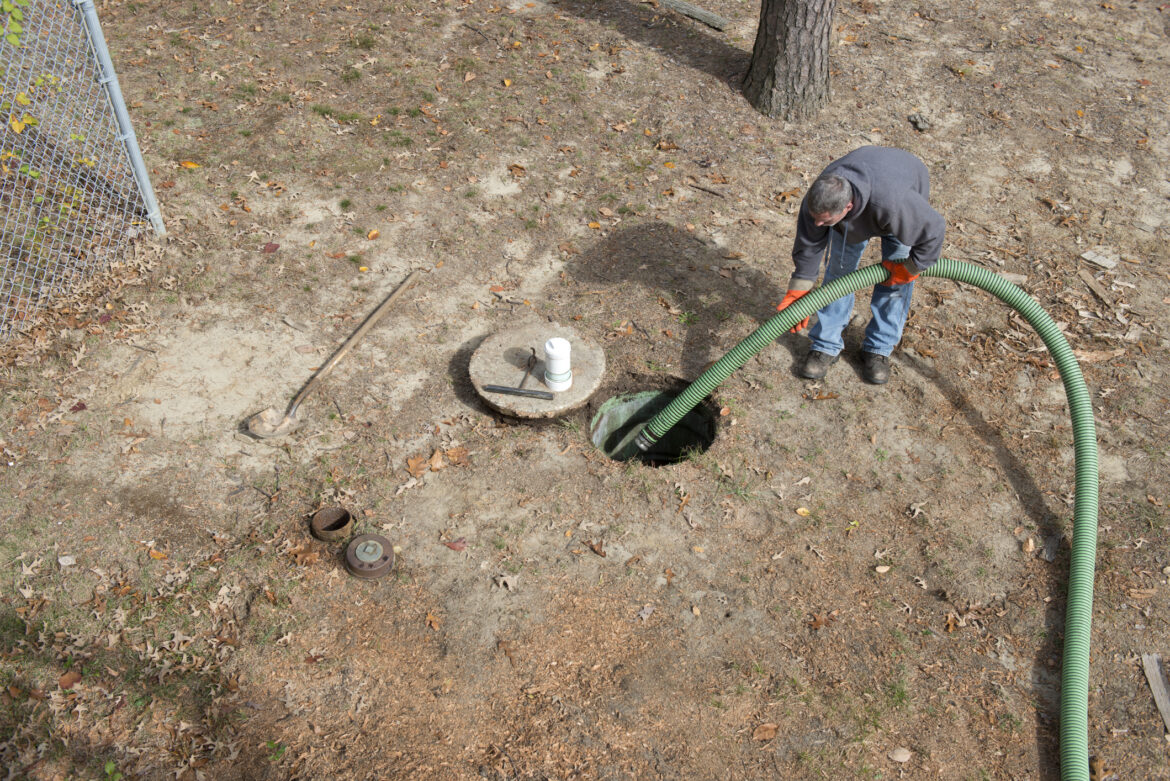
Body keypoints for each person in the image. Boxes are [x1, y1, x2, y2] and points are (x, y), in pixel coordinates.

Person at [777, 146, 945, 385]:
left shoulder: (896, 203)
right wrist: (800, 285)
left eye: (823, 220)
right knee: (838, 274)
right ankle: (826, 344)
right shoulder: (820, 200)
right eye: (816, 217)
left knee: (896, 284)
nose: (817, 223)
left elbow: (934, 230)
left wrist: (911, 268)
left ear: (847, 207)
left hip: (898, 190)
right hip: (864, 200)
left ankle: (879, 348)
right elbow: (810, 242)